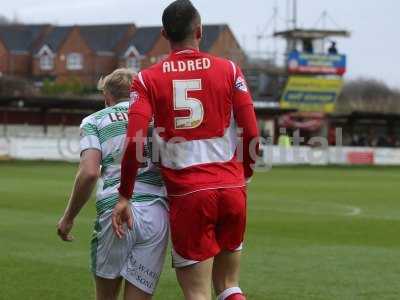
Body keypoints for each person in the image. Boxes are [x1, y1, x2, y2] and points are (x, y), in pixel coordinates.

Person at [111, 1, 259, 300]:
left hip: (189, 195)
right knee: (229, 284)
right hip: (232, 189)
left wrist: (125, 194)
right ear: (200, 31)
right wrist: (244, 173)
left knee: (197, 290)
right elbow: (252, 131)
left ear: (165, 34)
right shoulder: (230, 70)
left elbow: (135, 139)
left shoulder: (147, 78)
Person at [57, 69, 169, 300]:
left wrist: (68, 217)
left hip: (116, 210)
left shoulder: (94, 120)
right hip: (156, 213)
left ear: (107, 96)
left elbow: (89, 173)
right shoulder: (158, 118)